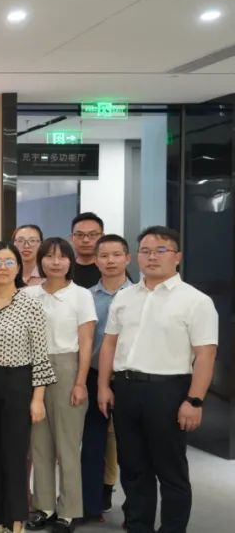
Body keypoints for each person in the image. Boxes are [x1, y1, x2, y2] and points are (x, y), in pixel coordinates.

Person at [97, 226, 218, 533]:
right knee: (133, 467)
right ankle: (139, 526)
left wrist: (194, 400)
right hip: (125, 388)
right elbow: (109, 344)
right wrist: (103, 386)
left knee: (170, 470)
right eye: (146, 251)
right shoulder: (125, 297)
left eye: (161, 250)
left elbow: (205, 354)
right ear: (137, 257)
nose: (152, 257)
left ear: (177, 257)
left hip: (170, 392)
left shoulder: (196, 301)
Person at [0, 242, 56, 533]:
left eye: (9, 262)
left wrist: (38, 398)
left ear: (19, 267)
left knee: (15, 454)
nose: (3, 268)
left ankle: (16, 522)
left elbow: (41, 355)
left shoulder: (30, 303)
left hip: (18, 383)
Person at [22, 238, 97, 533]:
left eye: (62, 257)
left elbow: (87, 342)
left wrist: (80, 382)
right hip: (32, 370)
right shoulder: (28, 294)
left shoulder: (81, 295)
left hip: (68, 368)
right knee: (38, 445)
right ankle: (44, 507)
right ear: (40, 260)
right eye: (49, 256)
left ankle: (68, 511)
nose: (55, 262)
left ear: (70, 261)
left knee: (67, 446)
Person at [81, 235, 132, 520]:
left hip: (128, 378)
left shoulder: (140, 295)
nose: (110, 261)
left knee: (131, 447)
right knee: (92, 444)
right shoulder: (86, 297)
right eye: (104, 256)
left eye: (116, 255)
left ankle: (134, 511)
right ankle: (89, 506)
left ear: (127, 258)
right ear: (96, 261)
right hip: (93, 376)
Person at [69, 213, 104, 288]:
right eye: (80, 235)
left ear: (102, 237)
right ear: (71, 238)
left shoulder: (111, 268)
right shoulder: (64, 269)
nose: (86, 240)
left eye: (92, 234)